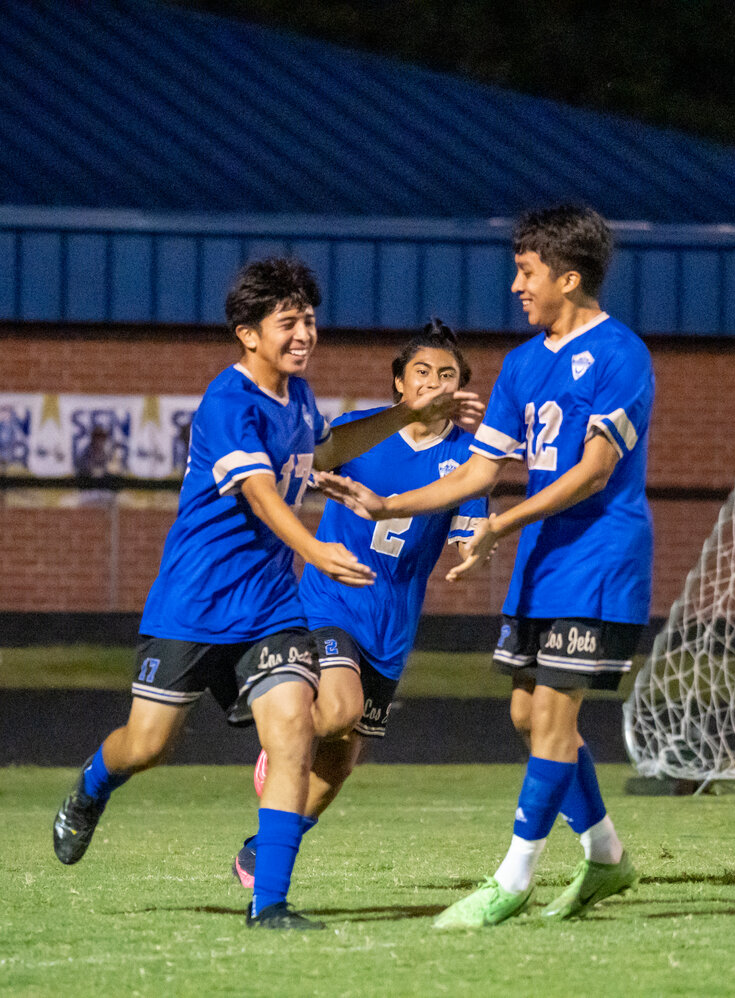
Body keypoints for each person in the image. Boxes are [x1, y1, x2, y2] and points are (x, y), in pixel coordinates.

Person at [49, 257, 482, 931]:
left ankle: (269, 904)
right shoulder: (229, 402)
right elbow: (257, 493)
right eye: (288, 322)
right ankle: (91, 788)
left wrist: (406, 411)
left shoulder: (300, 399)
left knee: (293, 738)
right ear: (248, 334)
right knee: (148, 744)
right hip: (195, 602)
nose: (304, 332)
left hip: (272, 608)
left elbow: (331, 450)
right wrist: (314, 550)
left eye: (309, 318)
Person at [318, 204, 653, 928]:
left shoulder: (622, 353)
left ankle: (514, 878)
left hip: (598, 560)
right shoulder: (525, 363)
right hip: (543, 560)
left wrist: (502, 522)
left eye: (527, 272)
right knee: (528, 716)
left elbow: (595, 471)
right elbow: (476, 471)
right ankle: (606, 856)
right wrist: (387, 505)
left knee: (555, 719)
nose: (515, 285)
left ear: (569, 277)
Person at [231, 319, 490, 890]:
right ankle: (283, 738)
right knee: (340, 709)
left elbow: (469, 530)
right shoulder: (358, 435)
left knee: (338, 768)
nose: (433, 382)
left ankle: (260, 848)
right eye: (421, 372)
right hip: (332, 601)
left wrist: (476, 547)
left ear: (462, 389)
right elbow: (289, 472)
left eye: (447, 375)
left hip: (392, 626)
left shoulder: (471, 460)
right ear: (399, 383)